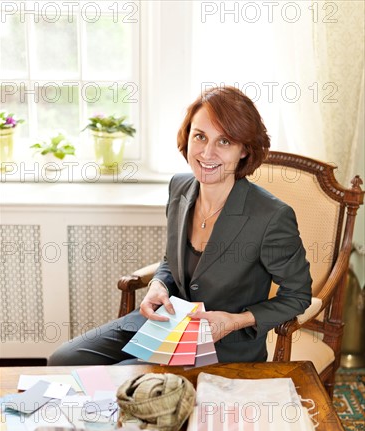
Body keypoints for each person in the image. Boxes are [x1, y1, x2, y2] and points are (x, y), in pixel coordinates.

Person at [49, 86, 312, 366]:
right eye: (200, 136)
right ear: (187, 137)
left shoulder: (272, 216)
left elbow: (297, 295)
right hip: (166, 323)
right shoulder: (179, 186)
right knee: (62, 360)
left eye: (224, 142)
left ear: (244, 150)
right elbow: (170, 260)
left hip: (222, 345)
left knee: (123, 380)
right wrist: (158, 284)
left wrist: (236, 321)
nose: (207, 153)